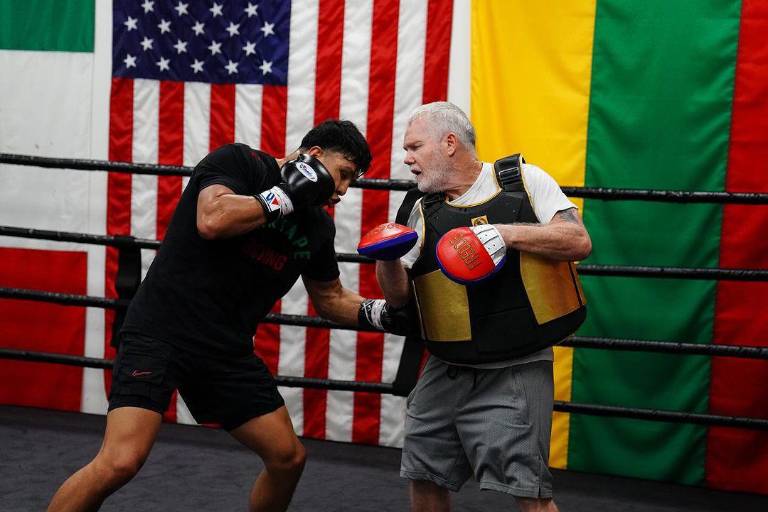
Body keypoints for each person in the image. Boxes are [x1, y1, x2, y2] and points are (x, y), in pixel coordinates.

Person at [47, 120, 406, 512]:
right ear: (314, 157)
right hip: (161, 331)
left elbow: (331, 297)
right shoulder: (242, 163)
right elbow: (212, 219)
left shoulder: (317, 225)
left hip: (224, 352)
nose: (342, 191)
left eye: (350, 182)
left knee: (287, 459)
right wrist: (284, 195)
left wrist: (385, 315)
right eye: (343, 175)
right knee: (120, 461)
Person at [373, 102, 592, 512]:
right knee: (423, 474)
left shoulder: (523, 180)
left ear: (450, 143)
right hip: (446, 366)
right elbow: (400, 297)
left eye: (415, 147)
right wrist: (386, 258)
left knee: (531, 492)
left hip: (516, 365)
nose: (407, 158)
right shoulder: (420, 207)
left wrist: (503, 234)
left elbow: (578, 241)